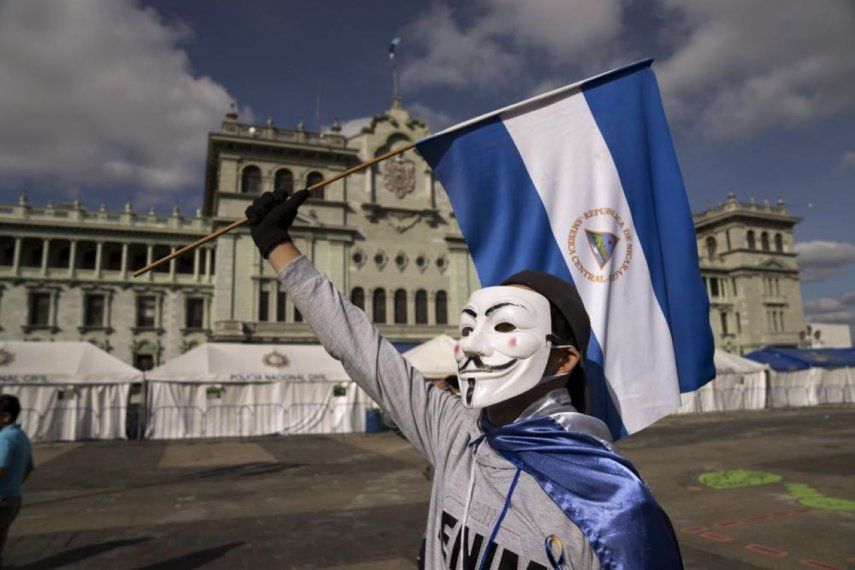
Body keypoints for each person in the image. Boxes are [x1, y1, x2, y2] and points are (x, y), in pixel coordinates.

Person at [246, 189, 682, 569]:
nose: (471, 347)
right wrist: (278, 247)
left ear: (562, 361)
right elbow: (360, 348)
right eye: (468, 328)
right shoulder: (456, 430)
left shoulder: (613, 504)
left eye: (505, 328)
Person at [0, 395, 33, 567]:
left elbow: (1, 469)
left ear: (5, 416)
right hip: (13, 498)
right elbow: (29, 468)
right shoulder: (21, 436)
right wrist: (14, 484)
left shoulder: (4, 438)